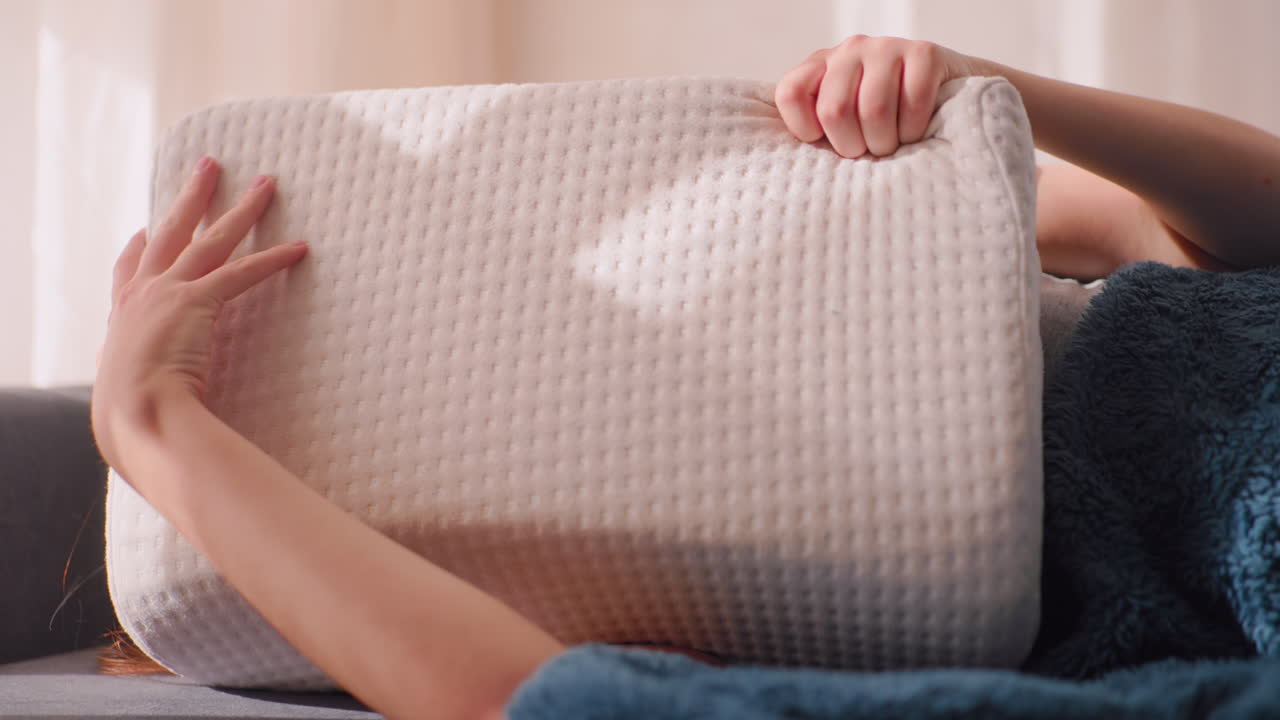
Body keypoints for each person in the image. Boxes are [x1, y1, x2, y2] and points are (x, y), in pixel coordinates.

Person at [90, 35, 1280, 720]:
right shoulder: (889, 612)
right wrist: (153, 430)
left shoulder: (933, 262)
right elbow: (565, 700)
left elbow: (1218, 237)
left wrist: (977, 92)